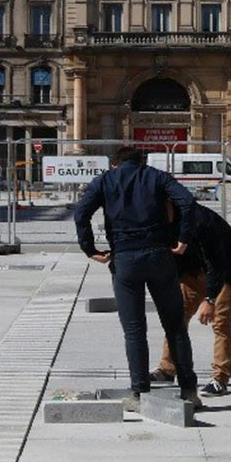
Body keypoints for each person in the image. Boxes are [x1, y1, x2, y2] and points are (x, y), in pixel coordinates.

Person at [73, 146, 202, 408]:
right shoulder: (156, 176)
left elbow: (80, 213)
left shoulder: (105, 180)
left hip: (125, 258)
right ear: (140, 162)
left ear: (115, 164)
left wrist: (90, 249)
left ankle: (139, 392)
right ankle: (188, 389)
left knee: (134, 331)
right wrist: (183, 239)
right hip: (159, 256)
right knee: (175, 326)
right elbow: (187, 202)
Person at [152, 201, 231, 397]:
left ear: (170, 204)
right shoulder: (164, 221)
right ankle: (167, 368)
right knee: (175, 315)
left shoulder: (201, 221)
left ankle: (220, 379)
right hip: (195, 268)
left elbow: (217, 263)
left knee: (221, 321)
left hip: (228, 268)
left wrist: (210, 299)